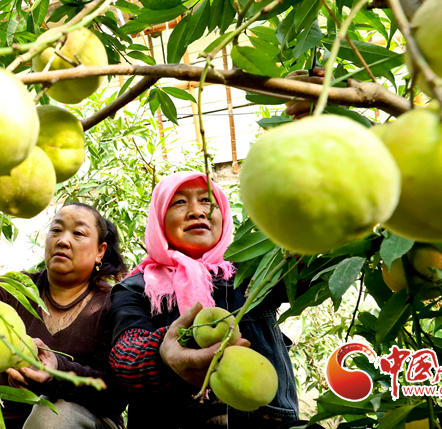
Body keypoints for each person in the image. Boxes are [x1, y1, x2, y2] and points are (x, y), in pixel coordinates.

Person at [108, 172, 303, 428]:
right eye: (179, 202)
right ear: (159, 218)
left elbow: (310, 277)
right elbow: (125, 355)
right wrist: (164, 352)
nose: (197, 212)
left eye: (207, 201)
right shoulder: (136, 288)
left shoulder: (255, 270)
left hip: (268, 422)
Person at [0, 202, 128, 429]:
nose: (63, 240)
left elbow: (115, 394)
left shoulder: (114, 303)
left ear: (100, 251)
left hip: (87, 421)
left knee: (51, 415)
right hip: (5, 423)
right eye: (56, 230)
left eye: (78, 233)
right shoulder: (15, 289)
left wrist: (57, 372)